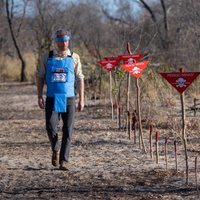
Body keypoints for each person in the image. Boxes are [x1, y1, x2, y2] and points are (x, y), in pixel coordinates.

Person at [36, 29, 84, 170]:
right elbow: (40, 76)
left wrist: (82, 98)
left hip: (69, 97)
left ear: (68, 41)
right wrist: (39, 95)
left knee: (68, 129)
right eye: (60, 40)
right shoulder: (47, 57)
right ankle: (55, 148)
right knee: (50, 127)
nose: (63, 43)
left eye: (65, 40)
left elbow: (80, 78)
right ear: (55, 41)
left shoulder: (74, 57)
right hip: (52, 97)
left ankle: (64, 160)